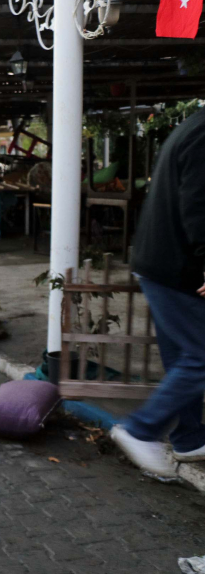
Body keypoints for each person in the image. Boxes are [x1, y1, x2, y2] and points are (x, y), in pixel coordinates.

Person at [112, 110, 205, 476]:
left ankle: (189, 437)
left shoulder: (194, 124)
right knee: (200, 356)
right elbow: (199, 203)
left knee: (185, 355)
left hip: (161, 261)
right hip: (176, 265)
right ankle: (140, 429)